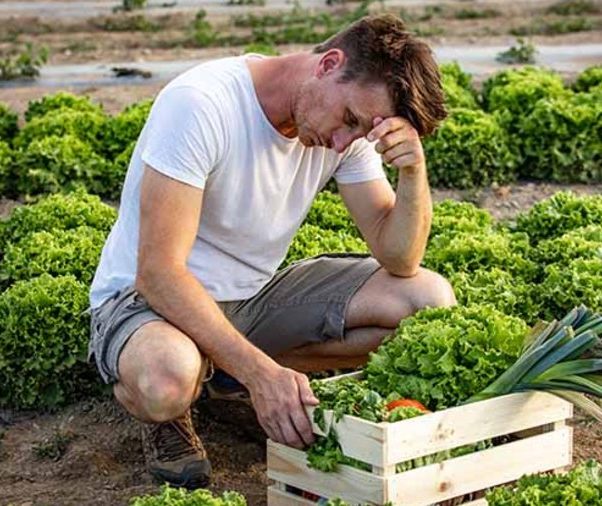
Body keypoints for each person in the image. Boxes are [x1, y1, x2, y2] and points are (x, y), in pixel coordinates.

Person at [88, 13, 454, 489]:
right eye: (349, 120)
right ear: (329, 64)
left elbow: (400, 258)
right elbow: (159, 274)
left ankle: (224, 377)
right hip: (150, 304)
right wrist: (262, 374)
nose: (343, 142)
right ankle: (181, 404)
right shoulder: (201, 104)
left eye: (362, 131)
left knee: (427, 301)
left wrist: (412, 172)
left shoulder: (346, 135)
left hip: (252, 297)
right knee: (167, 380)